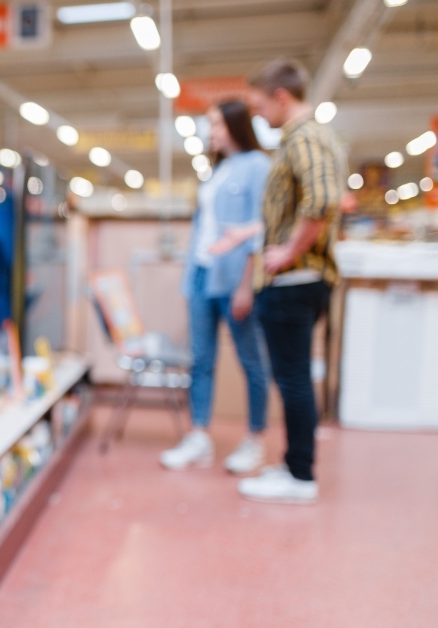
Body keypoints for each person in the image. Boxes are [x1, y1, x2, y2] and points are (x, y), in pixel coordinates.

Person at [235, 58, 344, 504]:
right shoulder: (302, 139)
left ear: (281, 97)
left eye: (260, 106)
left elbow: (322, 201)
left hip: (293, 281)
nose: (258, 116)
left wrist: (288, 251)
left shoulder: (305, 137)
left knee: (294, 379)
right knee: (293, 377)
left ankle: (300, 475)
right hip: (296, 280)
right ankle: (295, 464)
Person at [160, 100, 271, 474]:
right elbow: (202, 230)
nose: (211, 132)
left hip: (234, 278)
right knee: (201, 361)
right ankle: (199, 435)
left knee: (251, 361)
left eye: (217, 124)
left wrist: (246, 286)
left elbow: (261, 228)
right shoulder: (216, 170)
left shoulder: (257, 166)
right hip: (201, 276)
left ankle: (255, 438)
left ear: (236, 126)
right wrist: (188, 281)